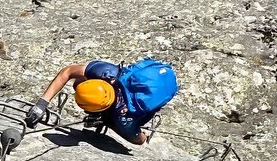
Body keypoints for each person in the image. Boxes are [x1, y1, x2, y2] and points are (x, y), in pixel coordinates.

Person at [24, 58, 179, 145]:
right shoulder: (107, 73)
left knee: (131, 119)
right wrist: (42, 103)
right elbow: (68, 71)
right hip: (156, 77)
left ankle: (106, 119)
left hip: (147, 100)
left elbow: (138, 140)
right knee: (79, 82)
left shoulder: (122, 119)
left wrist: (136, 132)